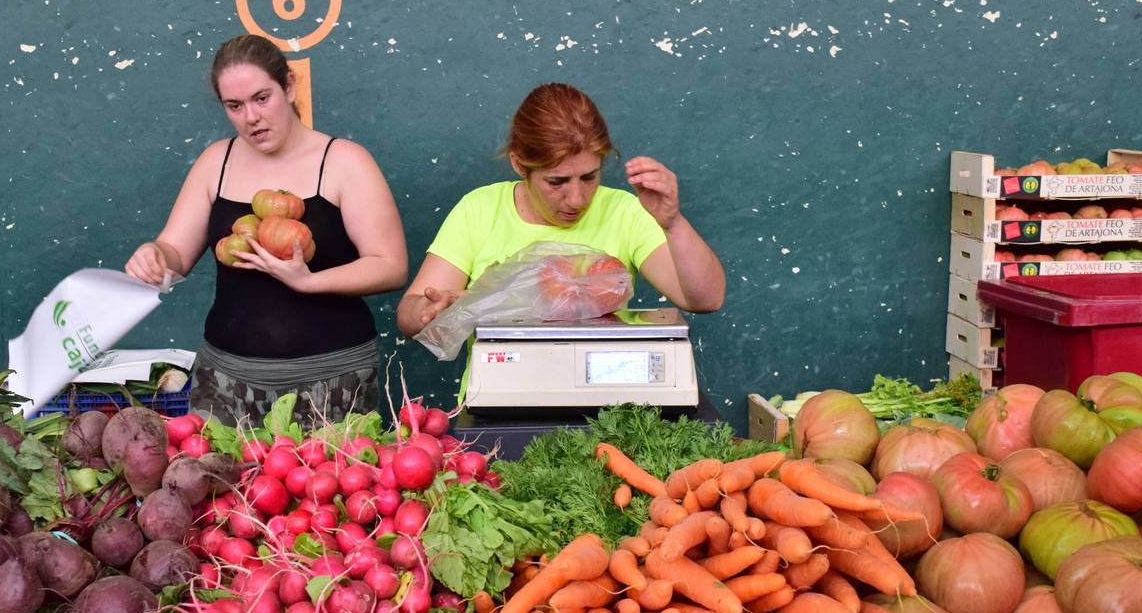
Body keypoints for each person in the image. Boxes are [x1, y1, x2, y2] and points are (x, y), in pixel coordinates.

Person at [126, 35, 408, 428]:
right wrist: (155, 255)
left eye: (262, 98)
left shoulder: (344, 162)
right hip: (225, 380)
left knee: (328, 489)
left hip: (332, 378)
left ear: (289, 87)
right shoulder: (215, 162)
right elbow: (175, 252)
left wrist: (309, 281)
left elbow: (390, 265)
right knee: (217, 488)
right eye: (235, 106)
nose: (251, 117)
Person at [396, 82, 724, 376]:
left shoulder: (623, 211)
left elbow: (705, 299)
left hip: (607, 406)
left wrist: (673, 223)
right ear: (519, 165)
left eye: (589, 177)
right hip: (500, 404)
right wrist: (439, 309)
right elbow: (409, 314)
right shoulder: (480, 209)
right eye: (557, 181)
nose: (577, 199)